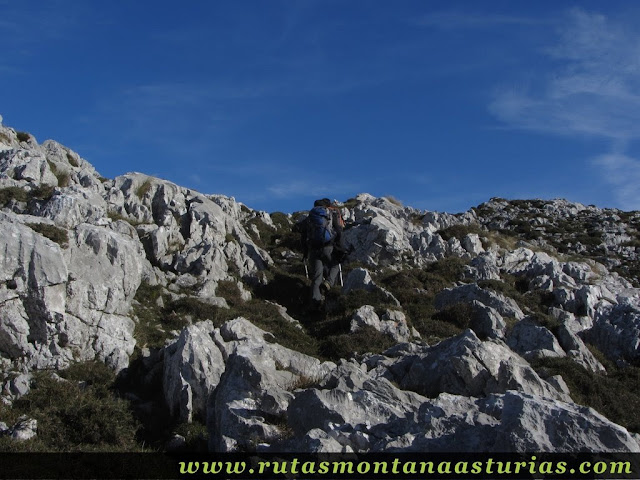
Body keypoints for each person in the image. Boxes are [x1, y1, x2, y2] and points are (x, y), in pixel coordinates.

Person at [303, 198, 345, 310]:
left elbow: (304, 236)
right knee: (335, 264)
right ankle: (329, 283)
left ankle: (315, 304)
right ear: (327, 205)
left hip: (313, 249)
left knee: (317, 277)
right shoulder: (331, 214)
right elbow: (339, 231)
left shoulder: (310, 217)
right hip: (328, 247)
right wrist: (340, 247)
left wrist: (305, 253)